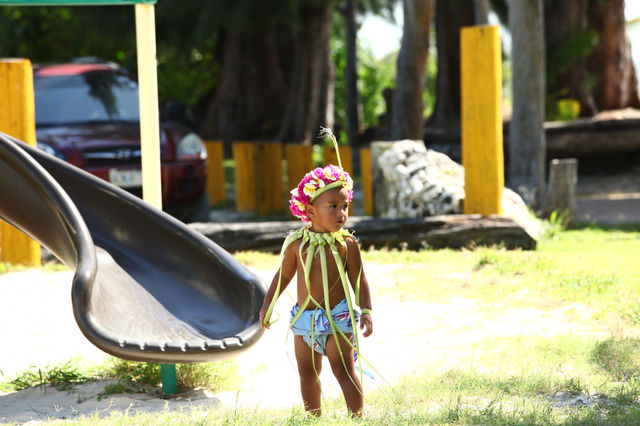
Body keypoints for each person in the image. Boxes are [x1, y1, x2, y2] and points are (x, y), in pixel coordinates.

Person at [259, 131, 373, 417]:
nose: (341, 213)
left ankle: (357, 418)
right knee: (308, 374)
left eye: (344, 206)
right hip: (305, 320)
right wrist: (267, 305)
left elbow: (359, 280)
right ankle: (313, 418)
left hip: (339, 317)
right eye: (333, 206)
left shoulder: (347, 244)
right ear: (310, 210)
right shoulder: (297, 245)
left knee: (343, 370)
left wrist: (367, 310)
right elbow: (282, 277)